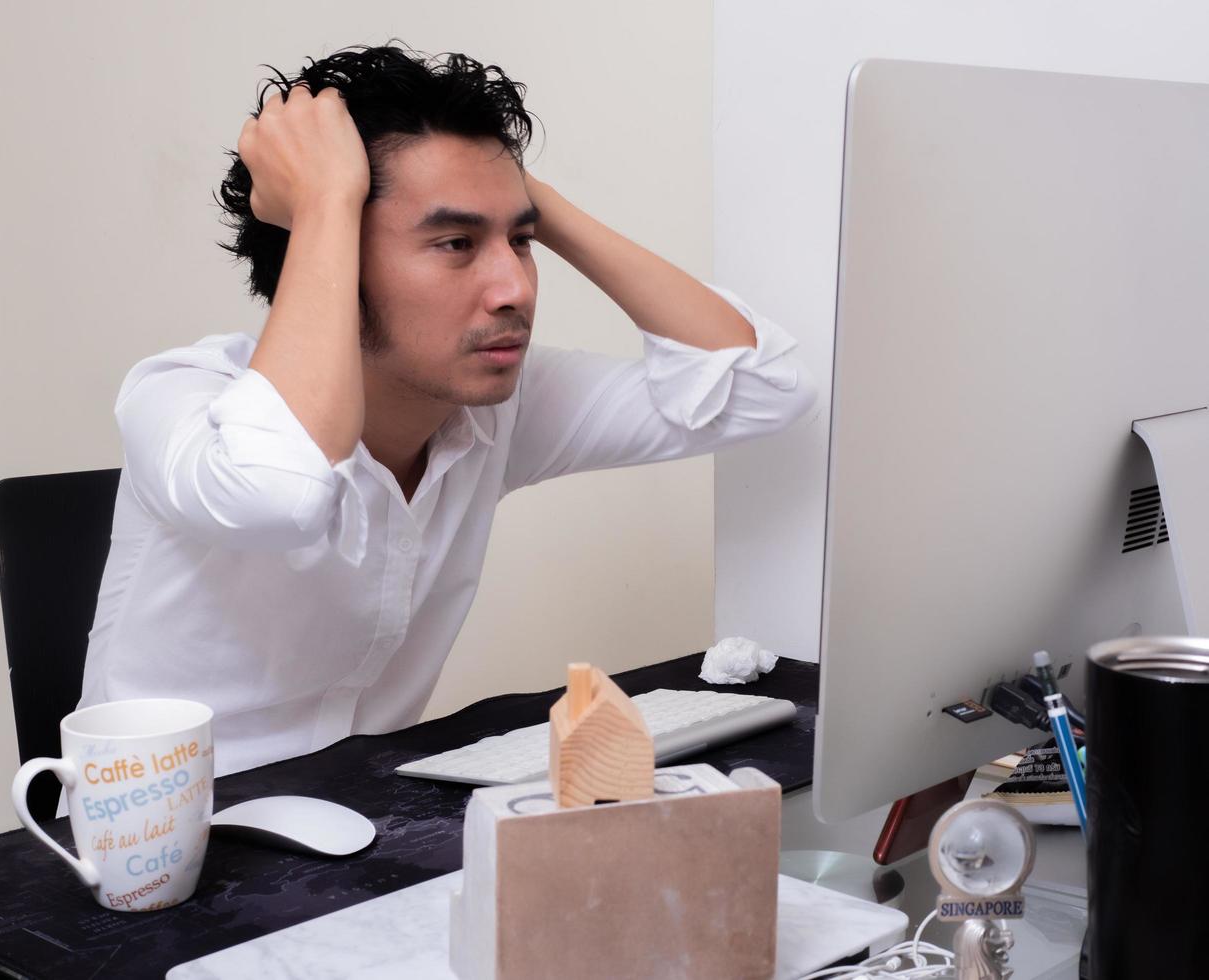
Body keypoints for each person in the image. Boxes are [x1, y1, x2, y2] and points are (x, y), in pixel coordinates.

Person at [72, 41, 817, 789]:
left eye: (519, 243)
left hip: (370, 821)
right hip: (159, 854)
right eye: (456, 242)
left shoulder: (493, 407)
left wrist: (518, 196)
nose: (514, 288)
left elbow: (761, 388)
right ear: (325, 253)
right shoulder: (179, 397)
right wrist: (326, 199)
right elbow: (284, 492)